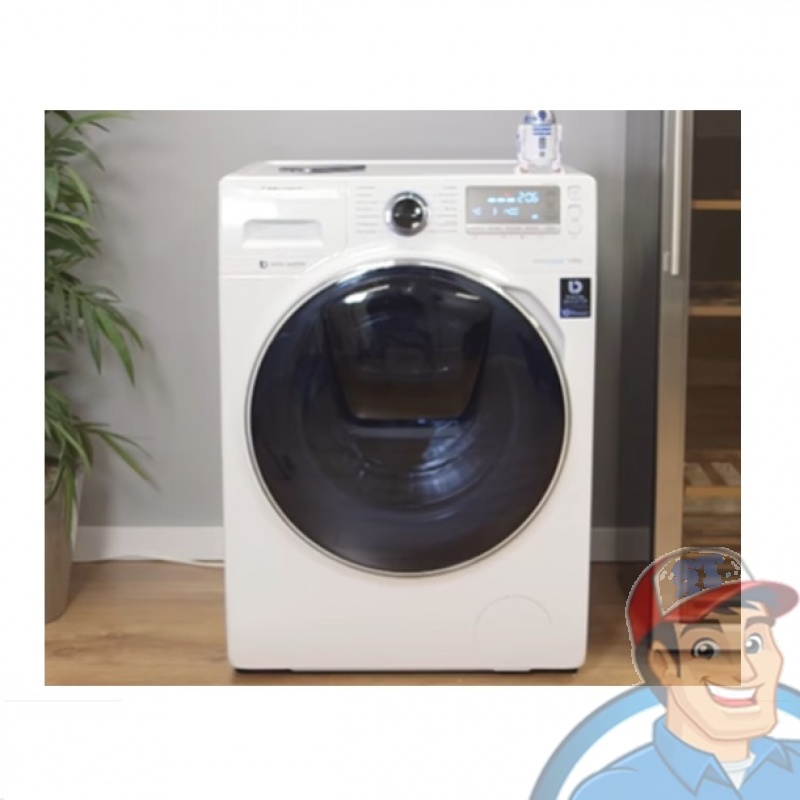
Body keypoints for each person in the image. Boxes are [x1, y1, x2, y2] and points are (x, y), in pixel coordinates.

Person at [571, 547, 800, 799]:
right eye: (707, 649)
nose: (745, 673)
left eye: (753, 643)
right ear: (662, 664)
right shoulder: (612, 792)